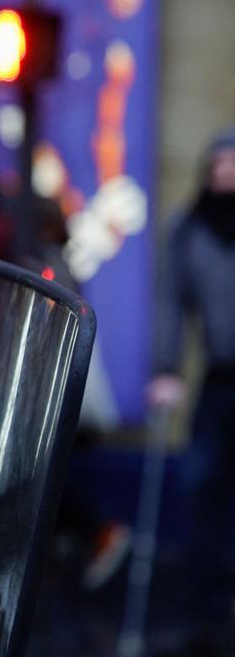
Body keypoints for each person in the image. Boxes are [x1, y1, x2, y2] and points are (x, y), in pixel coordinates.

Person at [148, 130, 235, 623]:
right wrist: (166, 369)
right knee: (201, 486)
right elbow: (170, 304)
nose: (225, 172)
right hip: (218, 378)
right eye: (217, 163)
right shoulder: (190, 228)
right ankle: (201, 608)